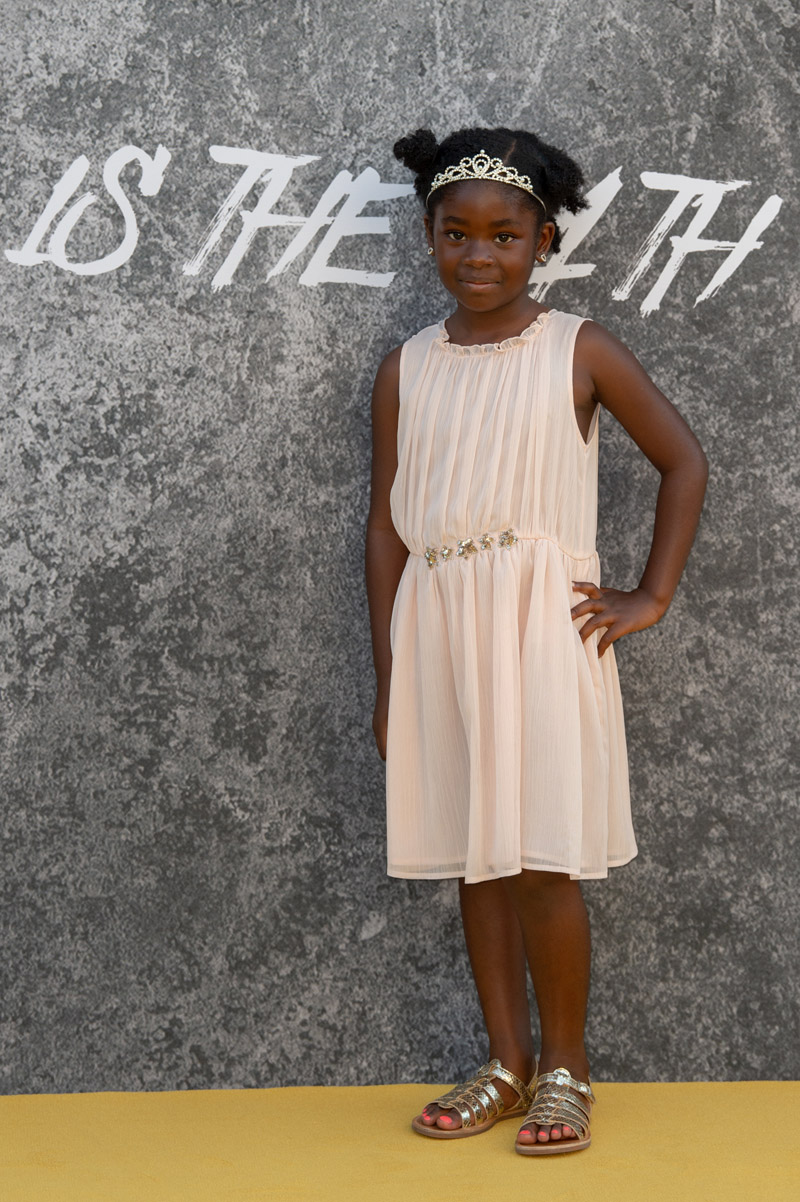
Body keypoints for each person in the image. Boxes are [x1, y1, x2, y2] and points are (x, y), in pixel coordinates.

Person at [364, 125, 708, 1155]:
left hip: (538, 632)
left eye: (502, 236)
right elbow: (386, 524)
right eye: (455, 234)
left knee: (539, 859)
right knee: (478, 858)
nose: (478, 255)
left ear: (542, 238)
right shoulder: (406, 368)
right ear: (426, 238)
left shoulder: (578, 348)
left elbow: (682, 461)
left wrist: (648, 593)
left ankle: (567, 1068)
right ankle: (503, 1063)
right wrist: (390, 677)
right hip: (439, 630)